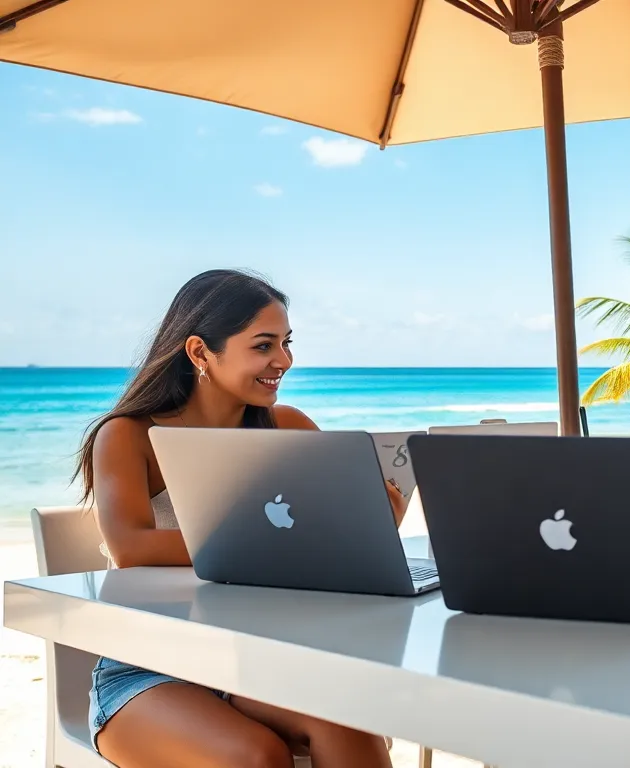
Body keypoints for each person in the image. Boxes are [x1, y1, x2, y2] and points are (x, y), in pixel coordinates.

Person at [75, 269, 407, 767]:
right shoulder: (127, 435)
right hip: (149, 670)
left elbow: (342, 546)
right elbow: (131, 546)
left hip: (258, 661)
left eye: (287, 343)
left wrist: (377, 519)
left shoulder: (289, 427)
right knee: (255, 756)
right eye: (263, 346)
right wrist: (285, 544)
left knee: (351, 727)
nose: (284, 361)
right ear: (199, 352)